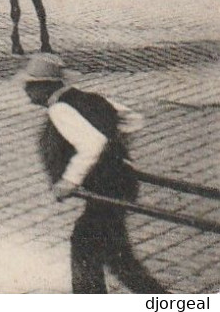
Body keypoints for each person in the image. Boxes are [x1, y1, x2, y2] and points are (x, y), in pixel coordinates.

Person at [18, 54, 166, 294]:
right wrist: (118, 151)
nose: (25, 89)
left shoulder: (59, 110)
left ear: (45, 86)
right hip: (122, 181)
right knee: (114, 252)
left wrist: (69, 180)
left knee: (85, 244)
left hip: (108, 186)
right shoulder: (90, 98)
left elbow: (92, 143)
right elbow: (132, 119)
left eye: (30, 84)